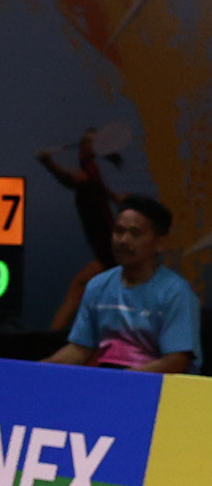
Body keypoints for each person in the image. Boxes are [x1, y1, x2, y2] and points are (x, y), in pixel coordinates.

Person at [44, 195, 201, 375]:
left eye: (135, 234)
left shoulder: (177, 292)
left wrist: (123, 381)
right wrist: (37, 369)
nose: (123, 240)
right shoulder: (98, 285)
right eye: (119, 231)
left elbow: (176, 362)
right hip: (110, 380)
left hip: (156, 386)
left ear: (160, 243)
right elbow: (79, 349)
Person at [35, 131, 125, 330]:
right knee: (82, 288)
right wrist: (115, 197)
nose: (83, 145)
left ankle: (50, 339)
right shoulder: (92, 172)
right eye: (83, 141)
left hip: (110, 250)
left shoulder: (87, 173)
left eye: (90, 142)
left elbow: (69, 179)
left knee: (81, 288)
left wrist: (48, 163)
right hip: (107, 250)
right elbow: (100, 188)